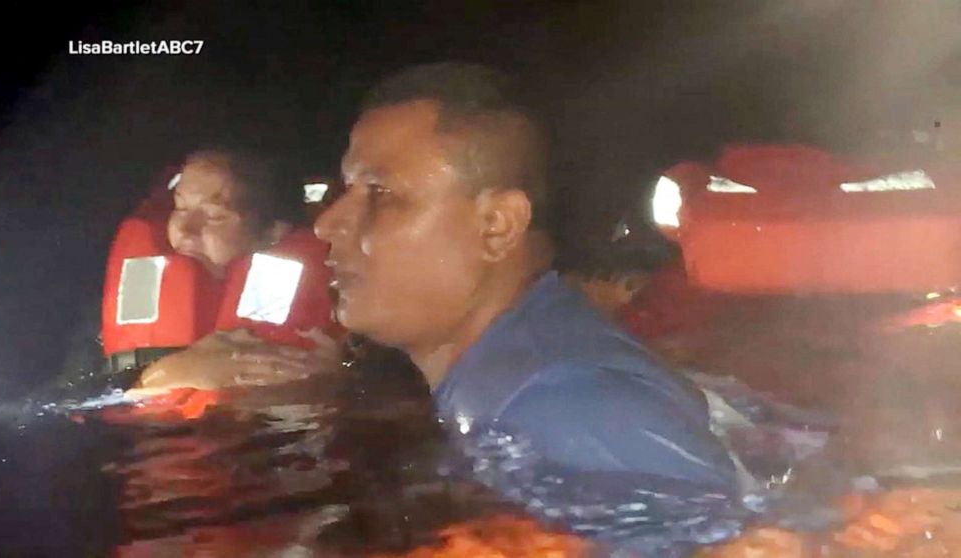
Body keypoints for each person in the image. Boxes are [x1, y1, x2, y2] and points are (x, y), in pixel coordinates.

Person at [313, 62, 737, 492]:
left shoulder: (568, 407)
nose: (327, 224)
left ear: (496, 226)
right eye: (346, 191)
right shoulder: (516, 378)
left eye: (381, 194)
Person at [54, 148, 341, 399]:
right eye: (180, 207)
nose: (185, 229)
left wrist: (338, 377)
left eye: (215, 216)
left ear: (271, 234)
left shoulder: (340, 304)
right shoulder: (108, 314)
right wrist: (171, 373)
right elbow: (65, 401)